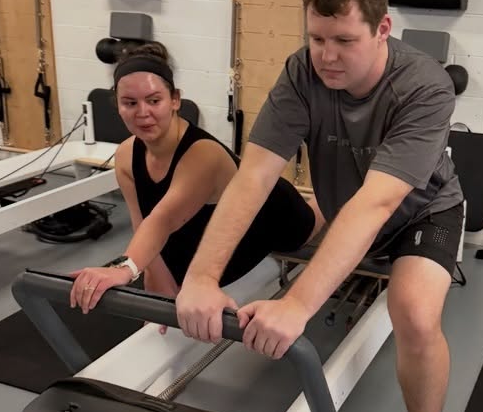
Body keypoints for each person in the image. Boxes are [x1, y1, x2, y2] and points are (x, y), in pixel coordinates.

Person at [176, 0, 464, 412]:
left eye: (345, 41)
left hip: (421, 214)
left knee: (416, 316)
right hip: (346, 207)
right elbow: (254, 175)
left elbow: (378, 202)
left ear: (382, 29)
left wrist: (297, 302)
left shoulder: (424, 87)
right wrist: (200, 277)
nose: (326, 57)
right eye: (316, 38)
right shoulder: (300, 72)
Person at [69, 42, 321, 325]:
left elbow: (162, 221)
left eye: (154, 101)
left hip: (274, 214)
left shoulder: (203, 155)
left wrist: (124, 268)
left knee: (316, 217)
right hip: (200, 225)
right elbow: (143, 223)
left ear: (175, 100)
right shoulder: (127, 154)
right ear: (117, 104)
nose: (142, 113)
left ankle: (333, 193)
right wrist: (154, 281)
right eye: (130, 103)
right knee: (170, 270)